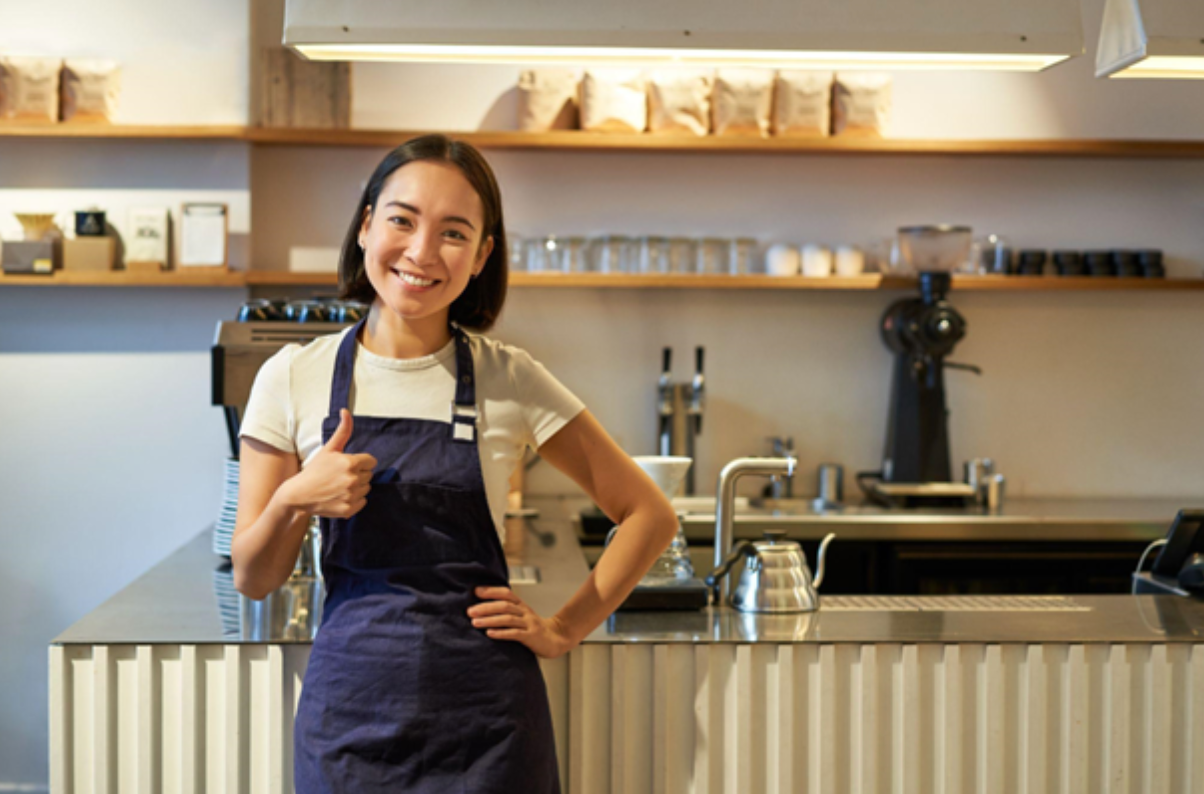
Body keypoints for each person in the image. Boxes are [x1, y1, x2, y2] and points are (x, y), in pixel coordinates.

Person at [231, 134, 678, 793]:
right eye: (402, 220)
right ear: (365, 226)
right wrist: (296, 498)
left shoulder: (512, 377)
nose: (420, 252)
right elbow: (254, 576)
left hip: (489, 726)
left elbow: (649, 514)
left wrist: (563, 628)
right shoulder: (293, 376)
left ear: (482, 256)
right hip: (350, 719)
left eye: (453, 233)